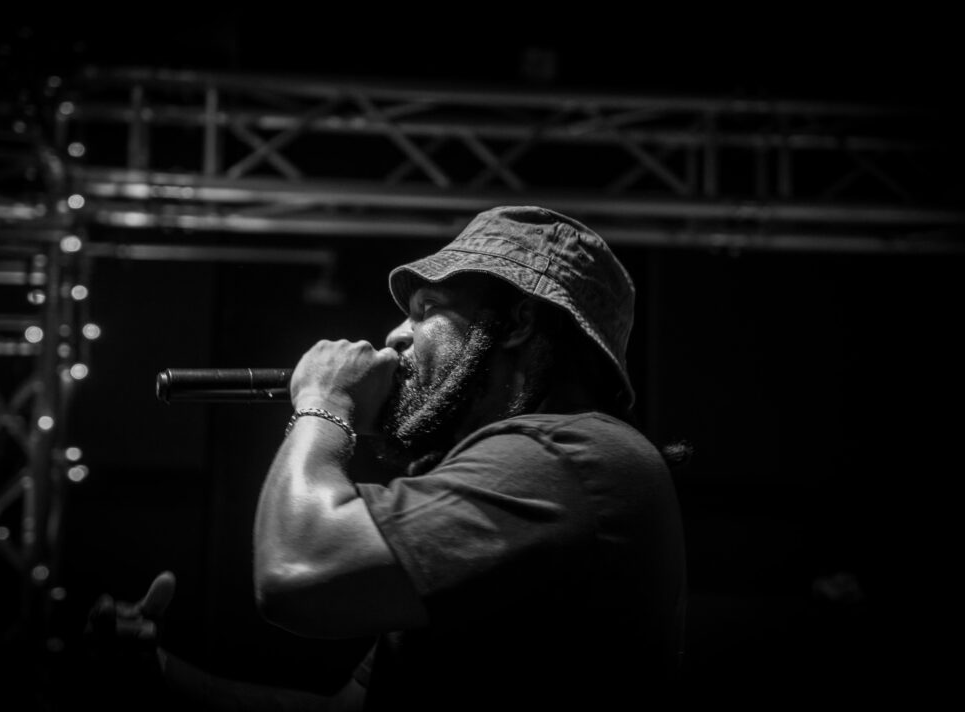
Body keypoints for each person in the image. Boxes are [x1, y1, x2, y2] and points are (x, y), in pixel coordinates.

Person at [89, 205, 688, 710]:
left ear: (517, 322)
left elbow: (297, 571)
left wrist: (324, 404)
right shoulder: (536, 471)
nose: (396, 335)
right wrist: (158, 676)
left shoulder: (565, 458)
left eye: (426, 309)